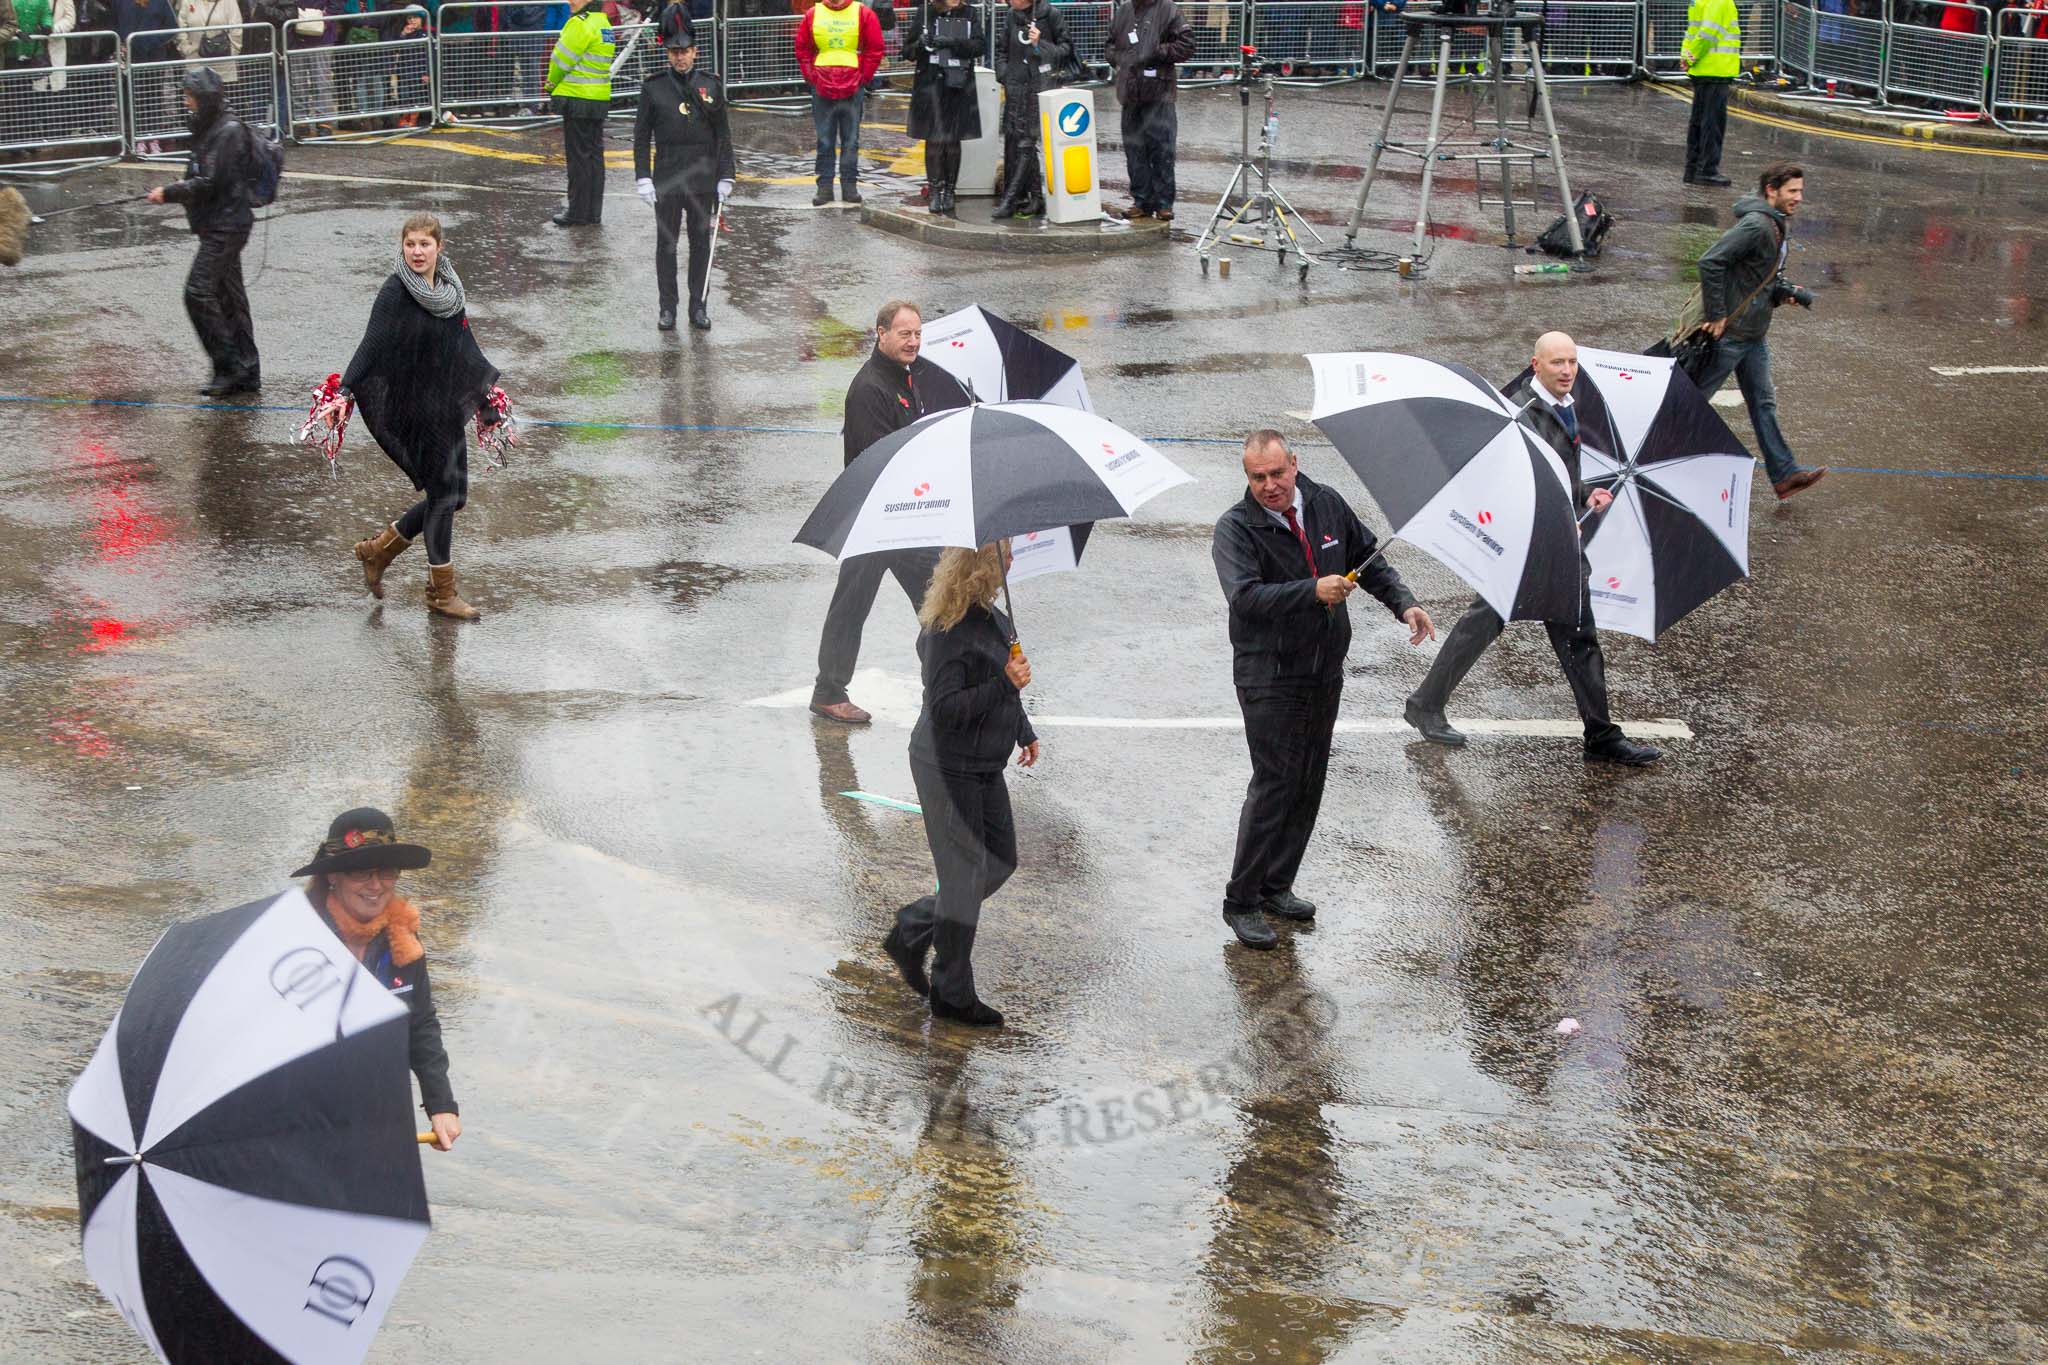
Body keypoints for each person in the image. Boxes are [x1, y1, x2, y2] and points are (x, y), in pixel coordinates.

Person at [1212, 431, 1435, 949]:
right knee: (1275, 783)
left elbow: (1369, 558)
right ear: (1247, 476)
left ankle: (1276, 885)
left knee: (1309, 780)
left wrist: (1404, 603)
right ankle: (1241, 901)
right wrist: (1311, 590)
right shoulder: (1235, 529)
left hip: (1323, 668)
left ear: (1295, 463)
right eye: (1257, 477)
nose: (1268, 486)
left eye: (1276, 474)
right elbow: (1244, 599)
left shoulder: (1328, 503)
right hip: (1268, 675)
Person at [1403, 332, 1665, 766]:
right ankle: (1427, 704)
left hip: (1554, 542)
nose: (1567, 371)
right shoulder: (1522, 414)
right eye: (1558, 363)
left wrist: (1584, 496)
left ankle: (1600, 733)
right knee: (1488, 621)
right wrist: (1560, 522)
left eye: (1572, 363)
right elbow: (1514, 484)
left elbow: (1558, 475)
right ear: (1536, 364)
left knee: (1572, 633)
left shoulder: (1563, 407)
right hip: (1531, 544)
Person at [880, 540, 1038, 1027]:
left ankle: (914, 927)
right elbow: (947, 712)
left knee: (999, 861)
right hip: (946, 767)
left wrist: (1022, 729)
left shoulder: (994, 618)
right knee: (965, 877)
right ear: (981, 567)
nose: (1012, 560)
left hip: (983, 763)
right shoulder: (947, 630)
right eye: (1004, 554)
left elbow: (1000, 686)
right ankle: (952, 993)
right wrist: (1004, 685)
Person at [810, 299, 971, 724]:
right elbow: (877, 459)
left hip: (896, 515)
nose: (913, 341)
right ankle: (836, 691)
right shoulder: (869, 389)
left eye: (918, 334)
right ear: (880, 333)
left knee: (887, 602)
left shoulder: (905, 379)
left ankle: (832, 690)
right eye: (905, 334)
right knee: (939, 598)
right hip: (879, 517)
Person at [339, 213, 506, 620]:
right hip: (412, 405)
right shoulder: (395, 292)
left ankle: (378, 551)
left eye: (424, 244)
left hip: (444, 403)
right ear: (403, 246)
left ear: (438, 248)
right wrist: (342, 393)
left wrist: (485, 398)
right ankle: (441, 592)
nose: (417, 251)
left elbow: (463, 346)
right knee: (444, 498)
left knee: (453, 496)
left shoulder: (449, 290)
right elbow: (371, 345)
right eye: (410, 244)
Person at [291, 807, 462, 1149]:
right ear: (332, 877)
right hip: (301, 1116)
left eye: (386, 871)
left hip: (379, 1112)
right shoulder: (297, 939)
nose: (375, 885)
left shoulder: (404, 942)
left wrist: (441, 1104)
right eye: (359, 872)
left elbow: (421, 1025)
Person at [1692, 164, 1828, 500]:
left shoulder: (1776, 223)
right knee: (1691, 402)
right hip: (1732, 334)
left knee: (1763, 404)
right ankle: (1650, 454)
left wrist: (1782, 292)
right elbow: (1711, 261)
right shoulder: (1757, 225)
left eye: (1800, 190)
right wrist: (1717, 314)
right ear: (1772, 190)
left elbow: (1756, 276)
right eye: (1792, 191)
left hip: (1753, 333)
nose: (1799, 197)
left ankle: (1784, 476)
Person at [145, 69, 259, 397]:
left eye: (189, 97)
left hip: (227, 224)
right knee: (230, 298)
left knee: (198, 292)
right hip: (219, 221)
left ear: (204, 99)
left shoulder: (227, 131)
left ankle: (228, 367)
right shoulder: (212, 126)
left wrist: (168, 192)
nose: (186, 102)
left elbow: (209, 180)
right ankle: (247, 370)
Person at [633, 19, 734, 331]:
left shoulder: (711, 84)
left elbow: (723, 134)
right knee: (667, 245)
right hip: (668, 178)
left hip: (703, 180)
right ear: (668, 53)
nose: (680, 57)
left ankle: (698, 306)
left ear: (695, 52)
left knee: (701, 244)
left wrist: (726, 175)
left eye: (685, 51)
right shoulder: (653, 87)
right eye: (675, 52)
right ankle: (668, 308)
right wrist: (643, 177)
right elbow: (641, 136)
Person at [1105, 0, 1192, 222]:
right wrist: (1119, 58)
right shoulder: (1124, 11)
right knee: (1134, 150)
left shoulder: (1168, 9)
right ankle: (1141, 200)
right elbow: (1110, 45)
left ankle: (1164, 203)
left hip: (1159, 93)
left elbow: (1187, 45)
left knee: (1162, 150)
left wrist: (1157, 51)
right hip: (1130, 94)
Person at [795, 0, 882, 206]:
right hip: (825, 84)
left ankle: (848, 187)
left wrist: (864, 77)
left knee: (849, 140)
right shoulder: (813, 14)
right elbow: (802, 49)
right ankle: (825, 188)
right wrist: (812, 77)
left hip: (850, 85)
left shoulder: (863, 13)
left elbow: (875, 48)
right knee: (826, 140)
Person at [903, 0, 985, 217]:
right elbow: (907, 51)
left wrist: (953, 42)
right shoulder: (925, 13)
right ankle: (935, 191)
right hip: (930, 85)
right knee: (933, 140)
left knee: (953, 140)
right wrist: (920, 44)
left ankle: (949, 190)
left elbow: (980, 46)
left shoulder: (970, 13)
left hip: (958, 84)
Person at [989, 0, 1069, 219]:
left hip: (1038, 87)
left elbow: (1066, 50)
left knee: (1026, 142)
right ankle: (1035, 197)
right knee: (1016, 140)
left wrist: (1039, 43)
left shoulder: (1051, 15)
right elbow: (1001, 50)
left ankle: (1011, 198)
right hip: (1015, 88)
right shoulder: (1010, 16)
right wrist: (1004, 74)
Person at [544, 0, 612, 226]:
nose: (570, 1)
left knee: (578, 160)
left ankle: (576, 212)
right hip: (598, 99)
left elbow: (560, 61)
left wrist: (550, 84)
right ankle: (593, 212)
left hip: (577, 98)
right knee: (594, 159)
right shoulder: (603, 23)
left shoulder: (579, 24)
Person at [1680, 0, 1738, 187]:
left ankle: (1692, 169)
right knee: (1712, 124)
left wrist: (1687, 57)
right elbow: (1707, 34)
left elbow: (1691, 32)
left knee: (1698, 122)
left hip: (1702, 69)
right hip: (1716, 69)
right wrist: (1690, 57)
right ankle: (1707, 170)